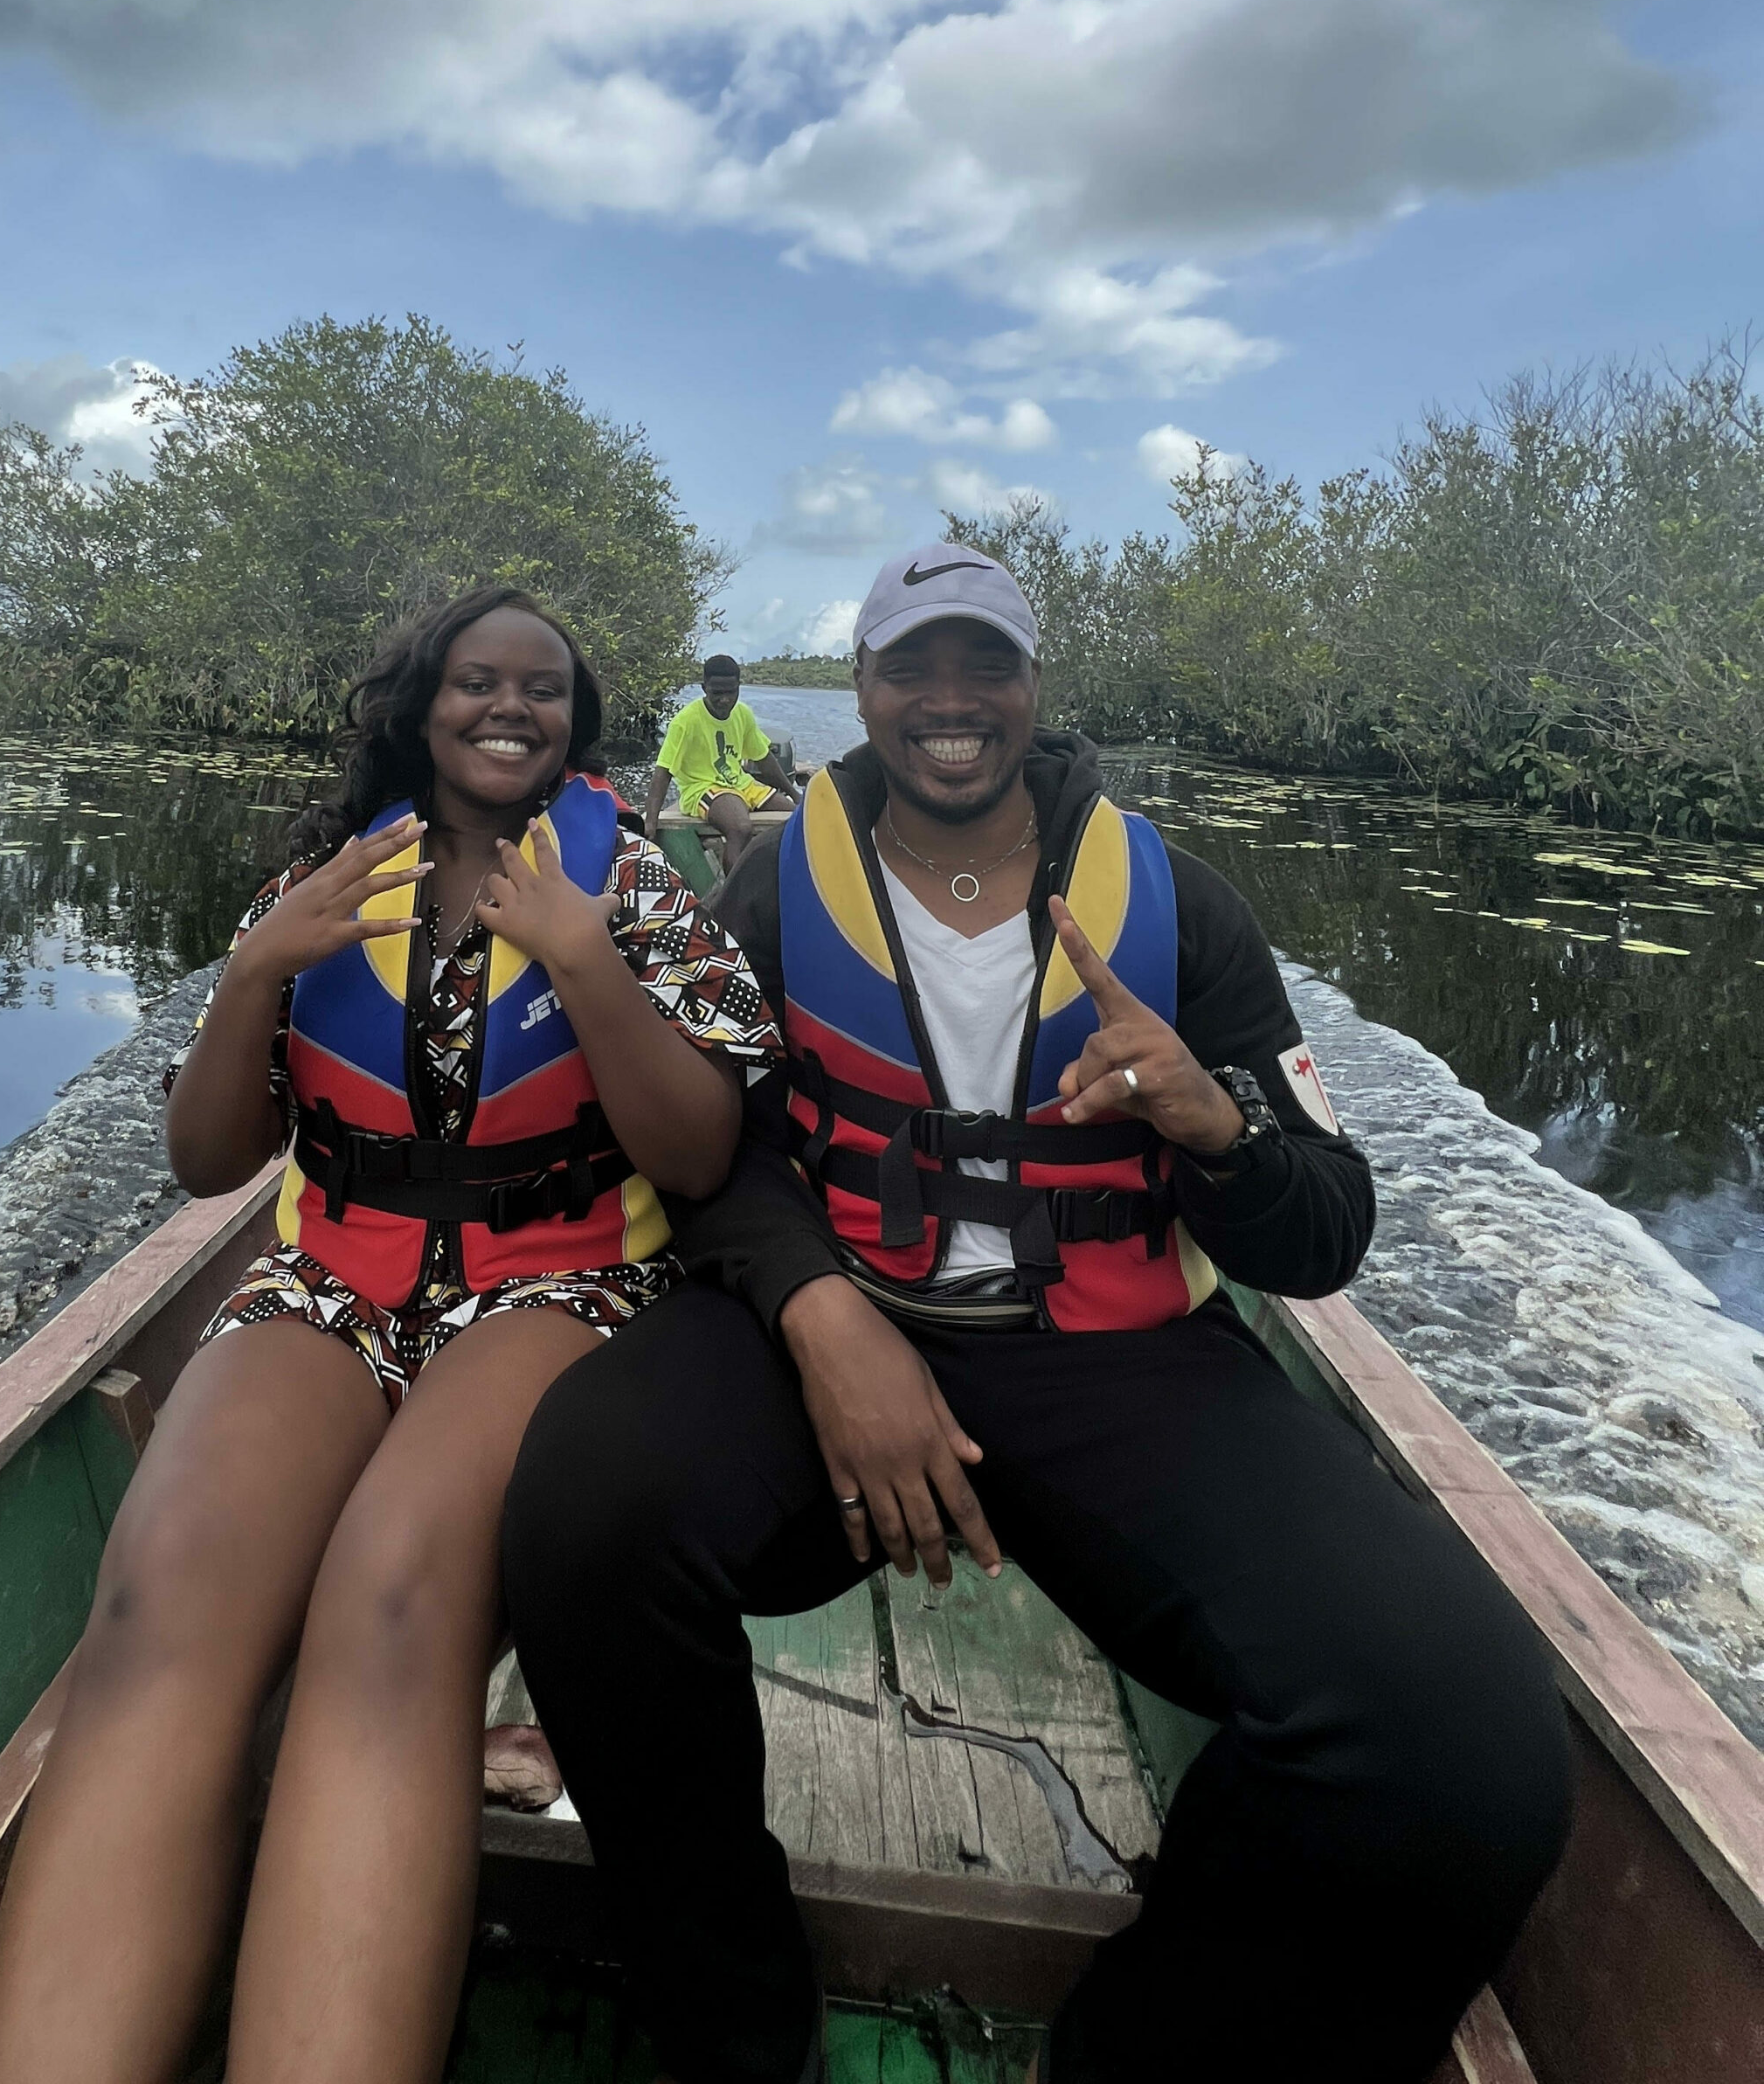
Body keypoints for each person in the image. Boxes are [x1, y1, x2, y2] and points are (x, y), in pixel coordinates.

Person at [504, 544, 1573, 2084]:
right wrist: (821, 1313)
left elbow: (1324, 1229)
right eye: (911, 669)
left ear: (1030, 689)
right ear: (864, 691)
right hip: (830, 1329)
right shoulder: (777, 887)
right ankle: (735, 2028)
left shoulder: (1176, 904)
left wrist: (1218, 1129)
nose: (950, 702)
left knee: (1463, 1745)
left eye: (983, 667)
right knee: (581, 1504)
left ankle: (1139, 2049)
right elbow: (716, 1144)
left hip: (1115, 1365)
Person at [0, 586, 779, 2084]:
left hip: (560, 1276)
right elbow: (213, 1163)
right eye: (479, 681)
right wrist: (256, 973)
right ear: (423, 704)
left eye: (543, 689)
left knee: (392, 1604)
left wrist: (586, 959)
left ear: (576, 723)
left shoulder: (639, 880)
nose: (509, 708)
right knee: (160, 1599)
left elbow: (705, 1153)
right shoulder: (331, 875)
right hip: (335, 1272)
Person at [642, 653, 799, 868]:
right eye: (717, 693)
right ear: (704, 687)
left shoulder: (742, 714)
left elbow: (763, 758)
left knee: (798, 817)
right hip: (702, 788)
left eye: (730, 692)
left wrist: (795, 795)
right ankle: (734, 896)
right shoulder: (685, 722)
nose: (724, 700)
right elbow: (663, 772)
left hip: (740, 784)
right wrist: (651, 821)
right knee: (740, 826)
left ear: (738, 688)